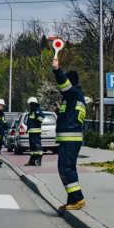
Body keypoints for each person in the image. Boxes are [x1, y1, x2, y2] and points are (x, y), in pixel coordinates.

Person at [53, 58, 86, 211]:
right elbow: (70, 116)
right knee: (68, 168)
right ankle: (72, 200)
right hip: (70, 139)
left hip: (70, 139)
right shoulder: (73, 98)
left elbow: (65, 84)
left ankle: (78, 198)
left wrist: (57, 70)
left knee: (65, 168)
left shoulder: (73, 94)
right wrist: (58, 111)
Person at [25, 97, 47, 167]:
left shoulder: (37, 110)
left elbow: (42, 117)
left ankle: (38, 159)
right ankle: (32, 161)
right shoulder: (32, 111)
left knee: (37, 146)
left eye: (30, 104)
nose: (29, 106)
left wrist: (37, 122)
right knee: (32, 147)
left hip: (36, 132)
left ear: (32, 104)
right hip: (31, 132)